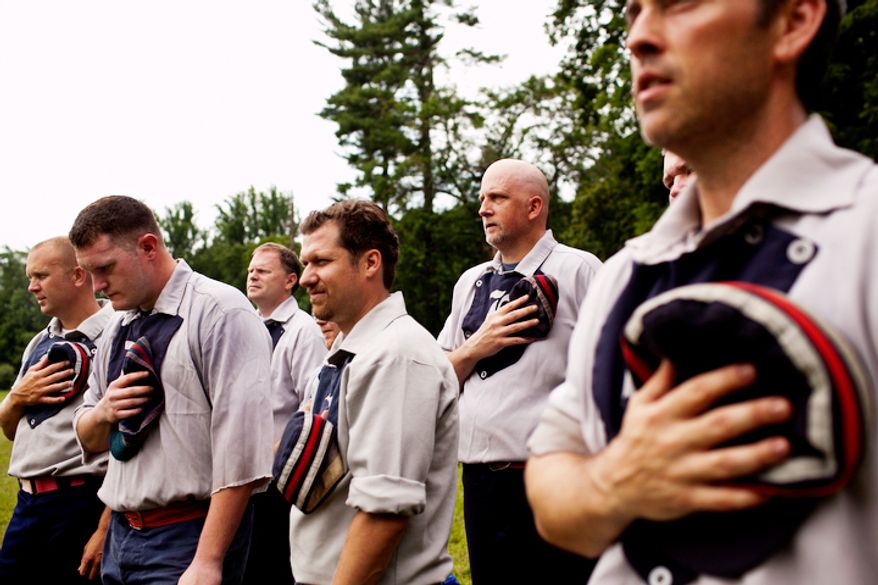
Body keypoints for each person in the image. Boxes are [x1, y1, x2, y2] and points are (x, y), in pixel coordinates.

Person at [526, 1, 877, 584]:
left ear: (793, 21)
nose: (637, 37)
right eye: (634, 12)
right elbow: (551, 485)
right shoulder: (622, 276)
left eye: (679, 4)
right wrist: (618, 482)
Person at [69, 195, 274, 585]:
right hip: (121, 535)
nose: (97, 286)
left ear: (148, 247)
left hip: (189, 534)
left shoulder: (220, 311)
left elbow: (243, 451)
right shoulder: (116, 325)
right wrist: (104, 412)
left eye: (105, 268)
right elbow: (90, 437)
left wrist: (208, 560)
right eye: (88, 272)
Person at [437, 158, 602, 584]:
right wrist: (478, 345)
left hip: (549, 477)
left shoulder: (580, 270)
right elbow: (439, 381)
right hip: (477, 482)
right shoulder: (469, 281)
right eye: (481, 199)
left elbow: (608, 372)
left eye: (496, 197)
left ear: (533, 207)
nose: (483, 208)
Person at [289, 199, 459, 585]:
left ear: (370, 263)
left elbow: (384, 512)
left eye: (322, 262)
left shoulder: (395, 355)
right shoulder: (351, 351)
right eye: (305, 264)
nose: (305, 278)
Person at [0, 236, 114, 583]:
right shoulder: (40, 342)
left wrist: (104, 527)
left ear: (79, 275)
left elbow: (136, 444)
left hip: (81, 503)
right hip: (28, 505)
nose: (32, 287)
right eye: (29, 278)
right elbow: (10, 429)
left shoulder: (116, 334)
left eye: (41, 276)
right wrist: (17, 398)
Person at [242, 242, 326, 585]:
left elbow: (315, 401)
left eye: (263, 270)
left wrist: (278, 453)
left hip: (280, 482)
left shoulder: (304, 331)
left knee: (275, 570)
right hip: (242, 480)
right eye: (250, 270)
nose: (253, 275)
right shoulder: (244, 328)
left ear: (291, 280)